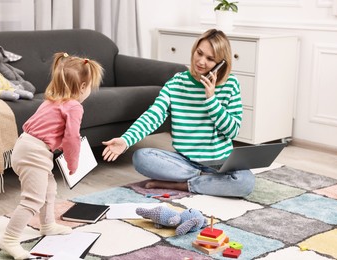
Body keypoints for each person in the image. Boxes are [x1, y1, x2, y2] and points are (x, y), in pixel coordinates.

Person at [102, 29, 255, 198]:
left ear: (221, 63)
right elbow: (153, 115)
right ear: (194, 49)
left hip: (219, 163)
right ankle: (207, 182)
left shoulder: (230, 84)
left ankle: (183, 185)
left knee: (245, 182)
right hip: (183, 163)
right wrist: (126, 140)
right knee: (140, 157)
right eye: (199, 53)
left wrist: (211, 99)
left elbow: (232, 131)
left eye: (210, 59)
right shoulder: (176, 83)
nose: (201, 61)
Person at [0, 52, 104, 259]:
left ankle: (47, 225)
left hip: (25, 146)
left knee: (49, 188)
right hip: (35, 152)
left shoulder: (52, 100)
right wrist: (73, 163)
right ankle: (9, 239)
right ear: (83, 87)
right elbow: (71, 137)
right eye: (90, 87)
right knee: (32, 199)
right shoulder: (74, 106)